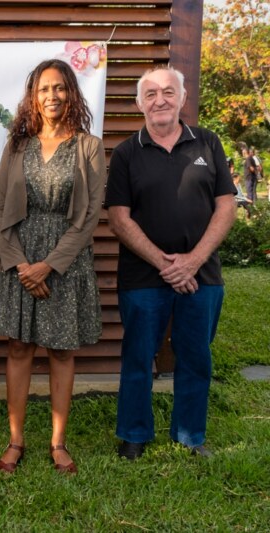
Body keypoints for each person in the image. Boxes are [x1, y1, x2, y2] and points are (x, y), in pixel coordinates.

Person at [105, 66, 236, 460]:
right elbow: (118, 217)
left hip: (203, 275)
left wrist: (192, 262)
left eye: (167, 92)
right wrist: (168, 265)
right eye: (150, 94)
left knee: (196, 355)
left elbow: (226, 207)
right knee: (138, 356)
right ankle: (134, 434)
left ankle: (190, 435)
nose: (159, 100)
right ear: (138, 103)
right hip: (143, 276)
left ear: (182, 98)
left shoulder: (208, 144)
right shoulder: (127, 153)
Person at [0, 59, 105, 474]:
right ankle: (16, 440)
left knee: (60, 350)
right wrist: (23, 265)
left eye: (59, 88)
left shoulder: (88, 146)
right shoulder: (16, 146)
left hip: (66, 261)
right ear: (33, 97)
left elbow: (90, 215)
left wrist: (50, 266)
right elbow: (2, 209)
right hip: (20, 257)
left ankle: (58, 443)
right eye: (43, 89)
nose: (51, 96)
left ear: (71, 93)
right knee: (19, 347)